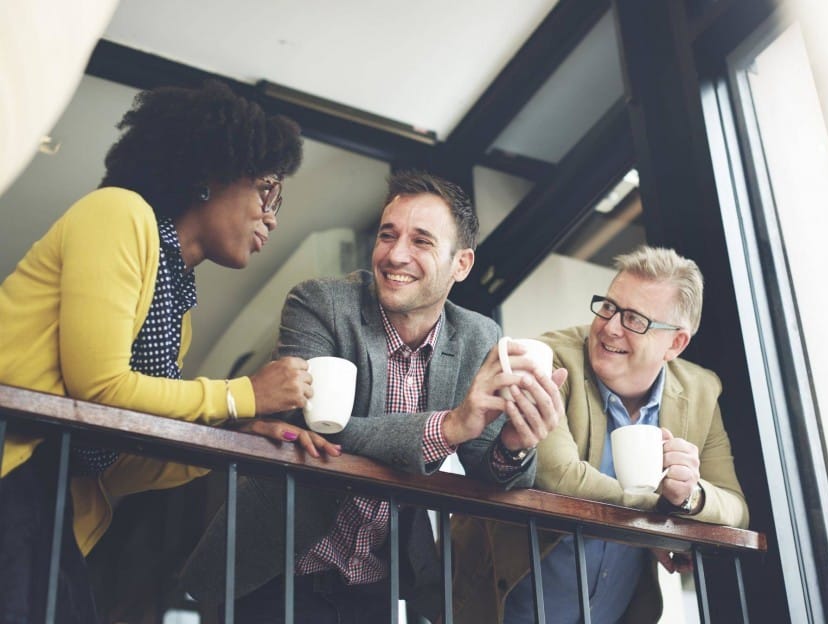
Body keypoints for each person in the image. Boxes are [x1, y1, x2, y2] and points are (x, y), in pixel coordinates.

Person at [0, 80, 341, 624]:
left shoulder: (176, 299)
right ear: (210, 174)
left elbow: (113, 457)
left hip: (52, 503)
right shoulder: (117, 214)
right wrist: (241, 394)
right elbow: (100, 389)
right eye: (266, 189)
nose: (271, 216)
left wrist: (225, 437)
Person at [180, 170, 567, 623]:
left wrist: (516, 446)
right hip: (277, 568)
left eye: (421, 241)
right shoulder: (320, 303)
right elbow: (315, 428)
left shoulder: (479, 335)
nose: (396, 254)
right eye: (388, 235)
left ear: (461, 264)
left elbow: (491, 468)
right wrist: (449, 427)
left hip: (378, 585)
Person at [451, 245, 749, 624]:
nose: (609, 327)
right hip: (502, 606)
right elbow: (558, 478)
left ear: (675, 343)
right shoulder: (550, 357)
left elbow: (735, 507)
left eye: (634, 319)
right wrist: (664, 516)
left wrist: (690, 495)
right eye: (608, 306)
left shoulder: (701, 391)